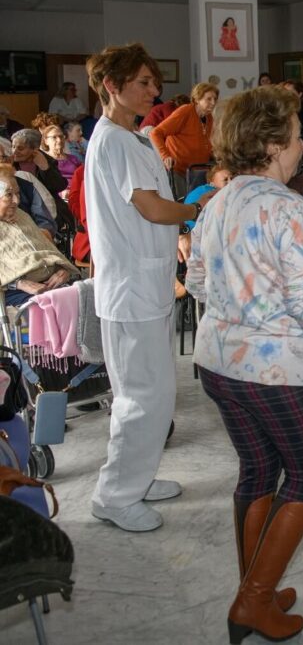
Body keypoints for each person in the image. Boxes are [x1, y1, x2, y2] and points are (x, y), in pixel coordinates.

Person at [185, 85, 303, 644]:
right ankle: (254, 601)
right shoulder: (291, 210)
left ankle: (253, 589)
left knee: (259, 471)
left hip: (218, 363)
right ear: (270, 144)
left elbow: (195, 282)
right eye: (295, 136)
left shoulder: (216, 202)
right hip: (276, 372)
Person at [85, 42, 205, 533]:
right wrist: (198, 209)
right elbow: (153, 207)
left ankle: (136, 476)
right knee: (141, 397)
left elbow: (154, 211)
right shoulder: (114, 140)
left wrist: (177, 231)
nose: (154, 91)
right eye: (142, 83)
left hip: (144, 283)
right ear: (111, 87)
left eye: (154, 82)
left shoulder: (130, 137)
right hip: (130, 290)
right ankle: (115, 496)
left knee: (154, 395)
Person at [0, 164, 78, 307]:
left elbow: (47, 248)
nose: (16, 202)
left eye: (18, 194)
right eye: (9, 195)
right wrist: (17, 283)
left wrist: (62, 270)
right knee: (47, 306)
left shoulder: (21, 216)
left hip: (48, 283)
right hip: (12, 291)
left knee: (83, 297)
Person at [151, 82, 218, 197]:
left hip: (197, 170)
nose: (213, 103)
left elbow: (206, 142)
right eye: (208, 99)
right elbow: (156, 133)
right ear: (197, 99)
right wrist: (165, 155)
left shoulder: (208, 117)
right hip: (178, 170)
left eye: (215, 99)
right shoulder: (185, 111)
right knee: (183, 205)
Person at [0, 137, 56, 237]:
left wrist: (35, 236)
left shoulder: (25, 185)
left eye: (2, 157)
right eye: (8, 195)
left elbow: (45, 221)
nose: (16, 200)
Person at [10, 128, 68, 200]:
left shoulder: (48, 160)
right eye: (13, 147)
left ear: (35, 149)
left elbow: (59, 186)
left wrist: (45, 168)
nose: (14, 152)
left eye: (20, 148)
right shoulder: (9, 162)